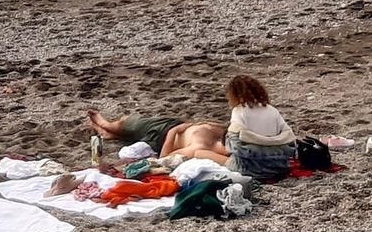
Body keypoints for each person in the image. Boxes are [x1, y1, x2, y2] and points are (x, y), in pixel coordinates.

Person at [223, 74, 296, 181]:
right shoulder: (272, 110)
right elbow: (289, 138)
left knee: (225, 151)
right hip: (278, 168)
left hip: (249, 169)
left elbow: (235, 146)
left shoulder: (239, 111)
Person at [86, 108, 228, 160]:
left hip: (160, 139)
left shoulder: (199, 148)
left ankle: (105, 127)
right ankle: (108, 127)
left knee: (129, 148)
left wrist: (174, 132)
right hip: (170, 123)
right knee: (125, 124)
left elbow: (164, 157)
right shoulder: (221, 130)